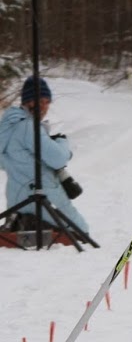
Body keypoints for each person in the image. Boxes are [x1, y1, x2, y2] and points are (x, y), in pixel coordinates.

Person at [0, 76, 90, 238]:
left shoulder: (9, 126)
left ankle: (22, 222)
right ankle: (33, 224)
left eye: (47, 102)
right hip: (39, 197)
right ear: (27, 101)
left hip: (17, 200)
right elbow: (58, 159)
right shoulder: (28, 126)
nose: (44, 107)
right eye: (39, 101)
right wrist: (62, 142)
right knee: (81, 232)